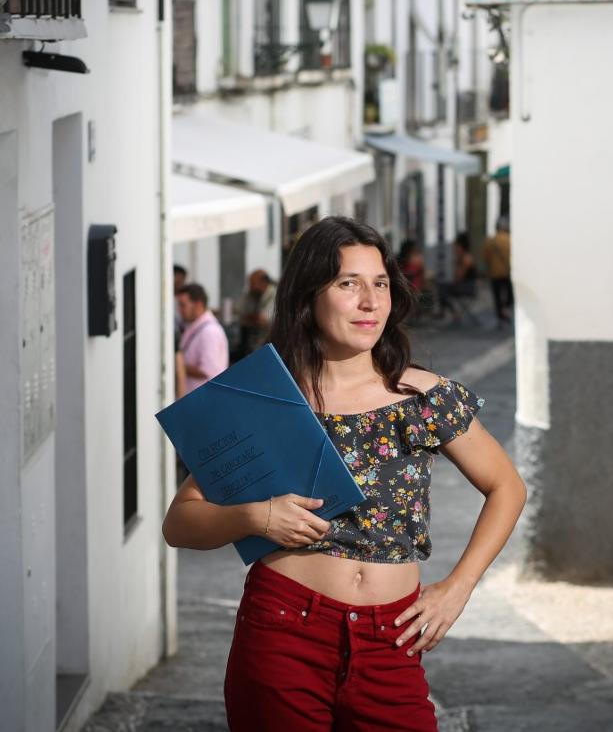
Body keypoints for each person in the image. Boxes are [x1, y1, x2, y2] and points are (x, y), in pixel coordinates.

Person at [162, 217, 527, 732]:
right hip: (283, 631)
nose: (370, 301)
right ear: (309, 296)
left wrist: (458, 587)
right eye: (347, 283)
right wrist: (257, 516)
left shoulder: (422, 397)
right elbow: (180, 523)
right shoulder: (270, 398)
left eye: (379, 284)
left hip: (392, 641)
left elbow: (507, 487)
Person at [176, 283, 229, 397]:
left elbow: (207, 371)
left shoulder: (210, 332)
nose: (179, 310)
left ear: (198, 305)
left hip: (202, 402)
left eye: (182, 305)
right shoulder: (196, 326)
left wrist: (177, 366)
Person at [234, 268, 277, 359]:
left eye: (253, 284)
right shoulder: (252, 294)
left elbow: (262, 319)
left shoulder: (274, 294)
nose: (250, 287)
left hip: (269, 345)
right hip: (252, 344)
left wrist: (247, 317)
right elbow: (237, 310)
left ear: (263, 283)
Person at [437, 233, 478, 324]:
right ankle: (450, 312)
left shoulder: (466, 259)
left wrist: (456, 264)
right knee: (442, 288)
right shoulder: (462, 258)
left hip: (467, 287)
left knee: (442, 289)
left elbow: (458, 277)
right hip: (463, 285)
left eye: (456, 246)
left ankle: (453, 312)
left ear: (461, 247)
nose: (454, 249)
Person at [482, 217, 513, 328]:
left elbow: (486, 257)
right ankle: (506, 310)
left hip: (494, 272)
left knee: (497, 295)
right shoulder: (509, 239)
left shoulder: (490, 240)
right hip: (507, 271)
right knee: (509, 293)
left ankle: (500, 315)